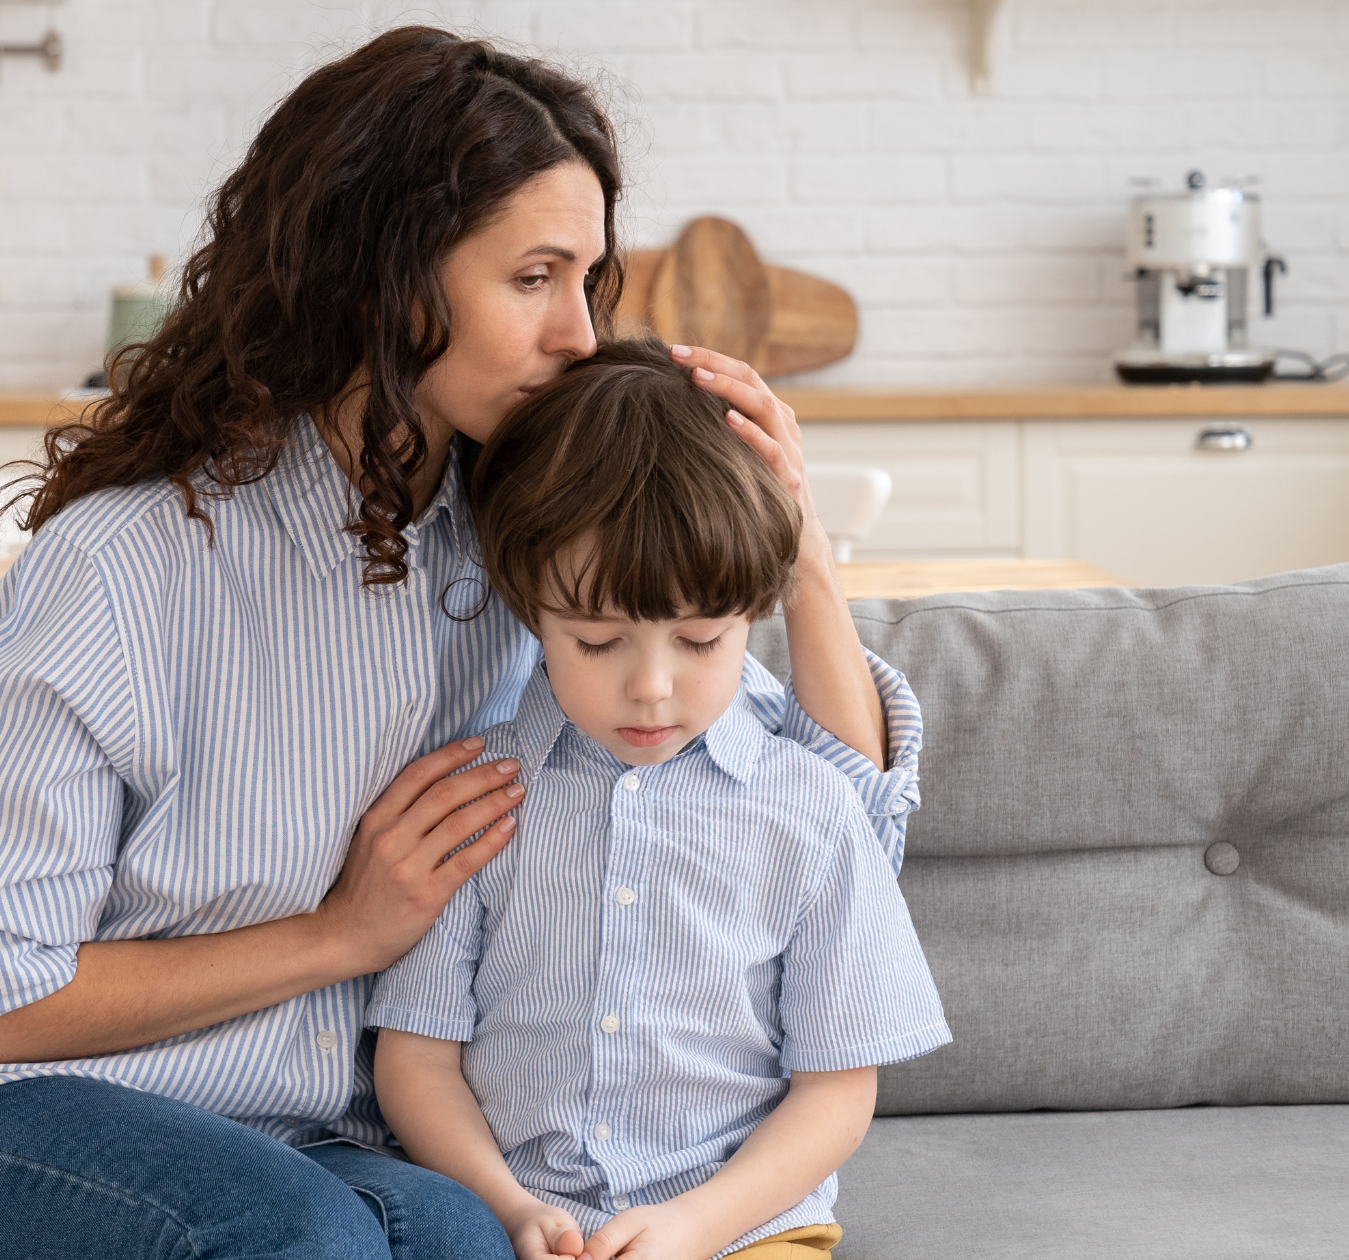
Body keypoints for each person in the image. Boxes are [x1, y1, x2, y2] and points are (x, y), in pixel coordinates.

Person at [0, 27, 923, 1260]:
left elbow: (825, 813)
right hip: (11, 1118)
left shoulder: (528, 547)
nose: (580, 340)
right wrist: (344, 934)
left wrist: (800, 555)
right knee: (305, 1243)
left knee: (462, 1243)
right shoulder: (123, 567)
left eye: (586, 281)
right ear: (381, 280)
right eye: (532, 277)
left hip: (325, 1136)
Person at [368, 340, 951, 1260]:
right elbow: (417, 1058)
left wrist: (695, 1226)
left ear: (752, 611)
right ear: (529, 609)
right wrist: (509, 1205)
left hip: (742, 1230)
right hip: (507, 1223)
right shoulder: (477, 798)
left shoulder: (811, 809)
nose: (651, 688)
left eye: (702, 639)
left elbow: (838, 1089)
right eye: (597, 641)